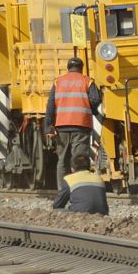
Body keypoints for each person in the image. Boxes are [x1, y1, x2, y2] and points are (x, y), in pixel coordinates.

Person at [45, 57, 101, 188]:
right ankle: (78, 188)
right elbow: (95, 100)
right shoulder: (87, 81)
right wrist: (91, 110)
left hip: (61, 126)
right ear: (81, 68)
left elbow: (50, 105)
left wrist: (48, 126)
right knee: (79, 159)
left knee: (62, 160)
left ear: (68, 68)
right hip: (81, 125)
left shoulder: (58, 82)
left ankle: (62, 190)